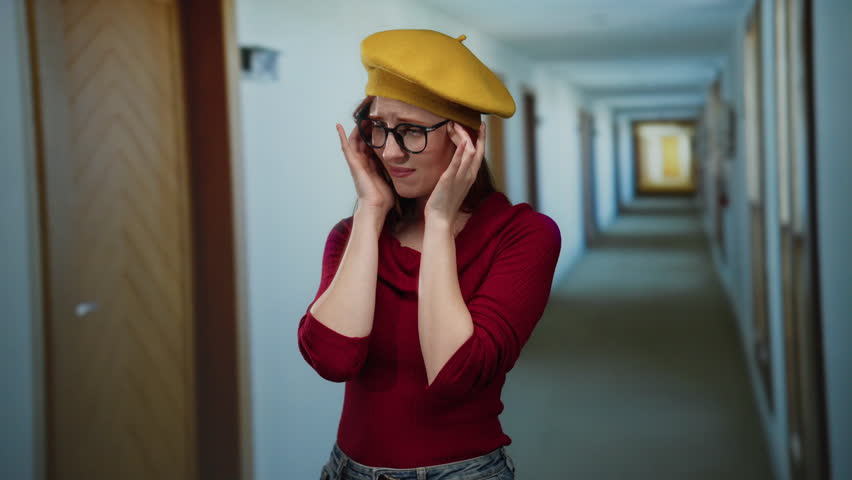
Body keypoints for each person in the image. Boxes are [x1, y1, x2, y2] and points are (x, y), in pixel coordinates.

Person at [297, 29, 562, 480]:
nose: (391, 151)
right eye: (377, 128)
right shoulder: (354, 236)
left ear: (467, 141)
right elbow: (332, 359)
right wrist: (371, 210)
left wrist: (439, 223)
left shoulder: (523, 236)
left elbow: (455, 375)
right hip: (345, 470)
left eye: (412, 131)